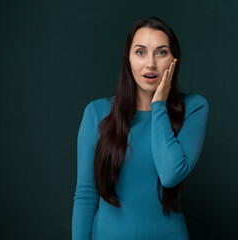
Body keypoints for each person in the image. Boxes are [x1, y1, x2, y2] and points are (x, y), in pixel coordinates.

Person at [72, 17, 209, 240]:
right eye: (141, 52)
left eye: (161, 52)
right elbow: (86, 195)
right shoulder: (96, 113)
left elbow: (170, 174)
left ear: (174, 60)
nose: (151, 64)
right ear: (128, 59)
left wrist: (158, 106)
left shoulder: (194, 108)